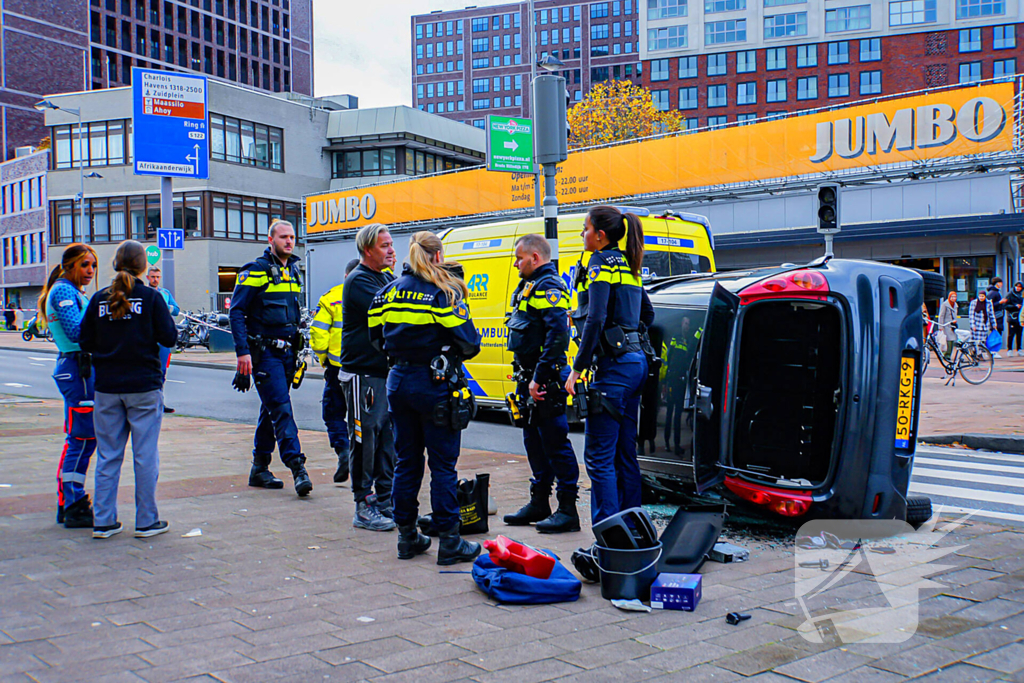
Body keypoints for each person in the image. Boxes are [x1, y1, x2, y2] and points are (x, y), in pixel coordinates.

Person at [369, 231, 483, 564]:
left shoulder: (385, 293)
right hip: (434, 382)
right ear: (436, 257)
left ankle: (407, 538)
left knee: (406, 461)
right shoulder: (442, 294)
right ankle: (450, 541)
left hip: (398, 381)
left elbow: (376, 339)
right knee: (443, 465)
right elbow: (470, 342)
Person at [80, 240, 177, 539]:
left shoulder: (98, 300)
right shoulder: (150, 297)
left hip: (107, 387)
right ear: (143, 267)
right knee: (145, 455)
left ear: (115, 264)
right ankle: (147, 520)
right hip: (144, 386)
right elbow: (169, 338)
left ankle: (104, 521)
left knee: (108, 455)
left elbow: (85, 341)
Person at [565, 205, 654, 525]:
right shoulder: (631, 265)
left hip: (614, 369)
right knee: (625, 454)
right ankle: (632, 528)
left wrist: (578, 366)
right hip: (636, 364)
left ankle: (608, 539)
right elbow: (648, 315)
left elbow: (596, 317)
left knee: (599, 458)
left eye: (585, 229)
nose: (582, 234)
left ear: (600, 235)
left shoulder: (599, 262)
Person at [502, 233, 580, 534]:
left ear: (535, 258)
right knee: (533, 442)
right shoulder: (528, 286)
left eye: (520, 258)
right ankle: (539, 502)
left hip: (544, 379)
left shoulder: (550, 287)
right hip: (529, 378)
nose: (516, 264)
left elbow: (558, 337)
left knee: (555, 443)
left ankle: (568, 510)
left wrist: (539, 377)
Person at [229, 219, 312, 497]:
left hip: (288, 353)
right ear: (271, 240)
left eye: (292, 237)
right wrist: (242, 352)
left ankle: (259, 467)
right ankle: (298, 467)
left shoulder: (294, 271)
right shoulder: (256, 271)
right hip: (264, 354)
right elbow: (237, 312)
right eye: (283, 237)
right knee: (281, 407)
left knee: (271, 409)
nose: (289, 241)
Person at [341, 224, 398, 531]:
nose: (391, 250)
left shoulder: (387, 278)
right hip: (363, 373)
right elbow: (392, 308)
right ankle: (363, 504)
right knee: (365, 439)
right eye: (384, 246)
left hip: (383, 372)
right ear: (367, 251)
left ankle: (386, 501)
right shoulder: (360, 281)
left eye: (391, 244)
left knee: (387, 441)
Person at [38, 243, 98, 528]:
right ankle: (72, 502)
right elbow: (76, 331)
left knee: (84, 437)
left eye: (93, 265)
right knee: (82, 438)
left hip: (79, 368)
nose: (90, 270)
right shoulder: (63, 290)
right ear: (70, 265)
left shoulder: (70, 291)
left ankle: (70, 501)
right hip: (79, 369)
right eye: (85, 264)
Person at [310, 258, 360, 484]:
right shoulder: (376, 294)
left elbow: (318, 335)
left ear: (345, 275)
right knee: (363, 417)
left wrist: (324, 359)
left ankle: (342, 451)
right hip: (367, 368)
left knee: (333, 413)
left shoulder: (332, 297)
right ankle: (362, 461)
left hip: (337, 368)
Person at [146, 266, 180, 414]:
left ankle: (160, 401)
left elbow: (176, 310)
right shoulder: (144, 293)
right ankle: (148, 401)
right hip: (148, 337)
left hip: (162, 339)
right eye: (152, 277)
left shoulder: (165, 293)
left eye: (157, 277)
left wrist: (164, 307)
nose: (155, 279)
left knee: (162, 371)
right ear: (147, 277)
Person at [986, 277, 1006, 359]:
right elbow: (989, 305)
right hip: (996, 316)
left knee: (997, 332)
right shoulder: (993, 293)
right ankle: (993, 351)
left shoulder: (995, 292)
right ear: (997, 283)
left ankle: (994, 351)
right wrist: (1000, 302)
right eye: (1000, 282)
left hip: (998, 316)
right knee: (996, 333)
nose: (1001, 284)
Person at [1005, 283, 1024, 356]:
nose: (1018, 288)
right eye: (1017, 286)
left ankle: (1019, 349)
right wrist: (1015, 306)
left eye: (1020, 287)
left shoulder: (1021, 295)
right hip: (1012, 316)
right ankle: (1009, 349)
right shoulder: (1010, 294)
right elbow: (1005, 305)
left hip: (1020, 317)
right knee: (1011, 334)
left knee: (1019, 333)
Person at [939, 291, 958, 360]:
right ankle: (946, 354)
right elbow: (941, 315)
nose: (954, 298)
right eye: (952, 297)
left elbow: (955, 315)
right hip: (946, 325)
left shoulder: (955, 305)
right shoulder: (945, 304)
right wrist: (941, 326)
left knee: (952, 340)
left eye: (955, 297)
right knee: (948, 340)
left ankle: (947, 354)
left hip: (952, 325)